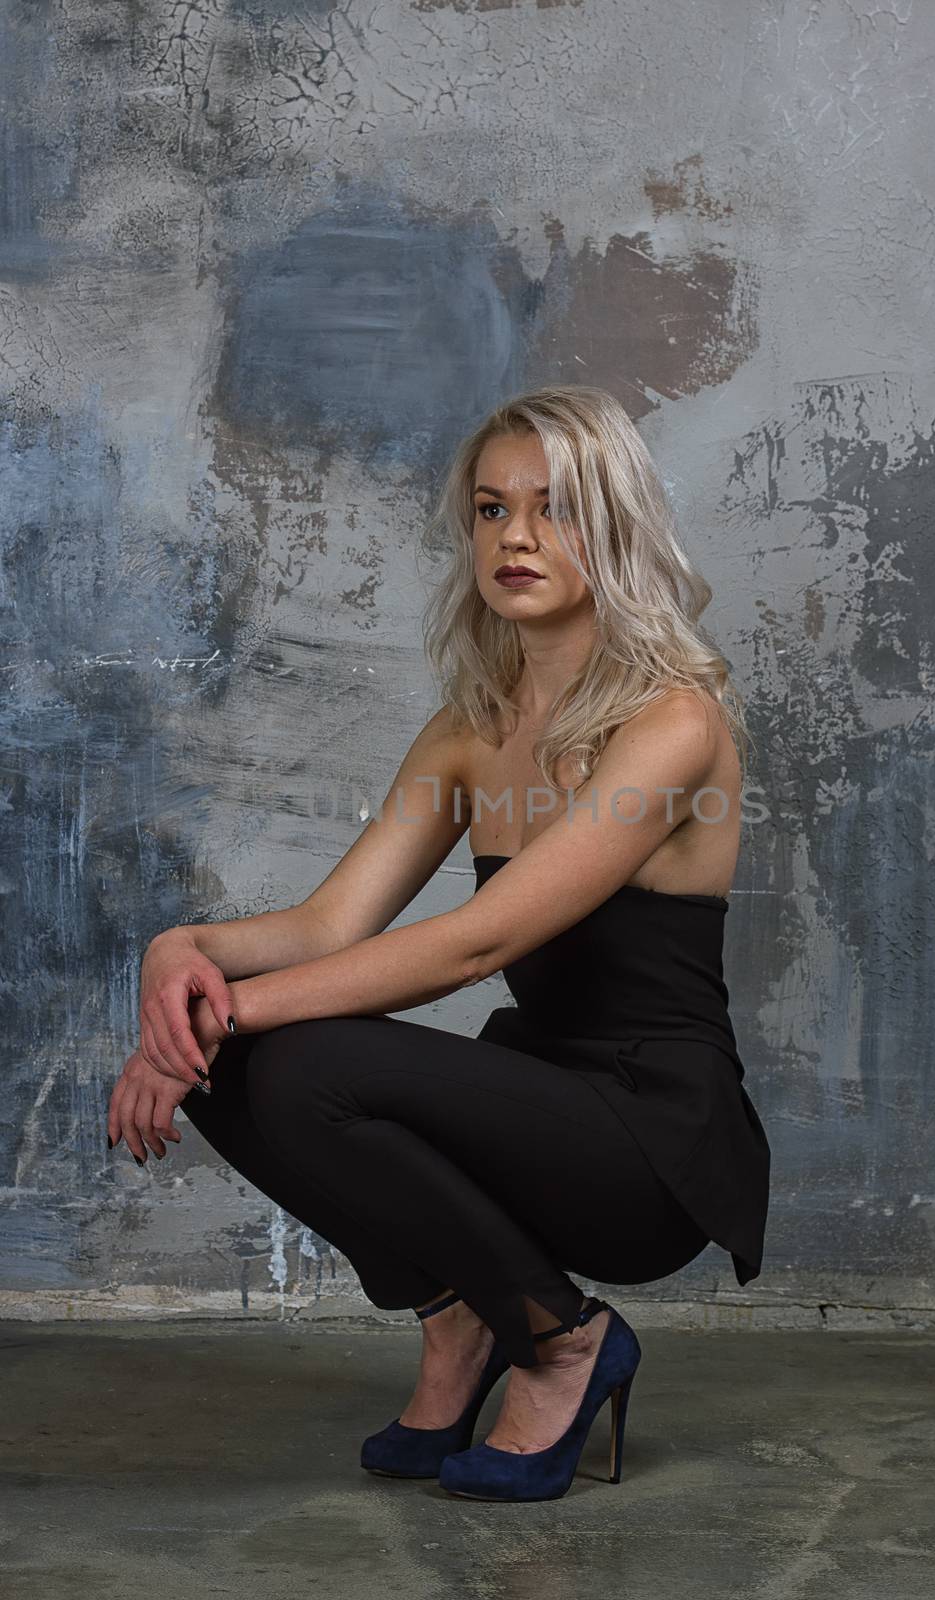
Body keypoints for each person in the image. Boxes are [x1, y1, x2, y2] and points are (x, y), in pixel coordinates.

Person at [106, 384, 771, 1503]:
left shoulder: (671, 719)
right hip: (535, 1101)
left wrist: (218, 1015)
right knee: (229, 1058)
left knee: (290, 1049)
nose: (515, 536)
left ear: (614, 526)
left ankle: (561, 1341)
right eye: (489, 509)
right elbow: (327, 925)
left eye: (554, 508)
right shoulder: (471, 726)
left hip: (648, 1142)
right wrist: (187, 954)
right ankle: (461, 1310)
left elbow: (480, 942)